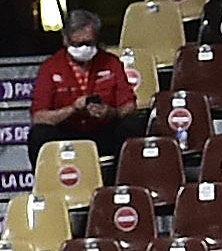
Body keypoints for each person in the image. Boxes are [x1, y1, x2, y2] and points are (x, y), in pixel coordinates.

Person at [28, 11, 146, 162]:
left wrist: (111, 112)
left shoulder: (111, 63)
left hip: (103, 131)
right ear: (66, 40)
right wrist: (72, 109)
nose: (84, 48)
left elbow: (129, 105)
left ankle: (124, 179)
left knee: (132, 124)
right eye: (78, 44)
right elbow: (38, 116)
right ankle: (47, 180)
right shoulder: (50, 68)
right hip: (67, 133)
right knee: (39, 134)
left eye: (89, 43)